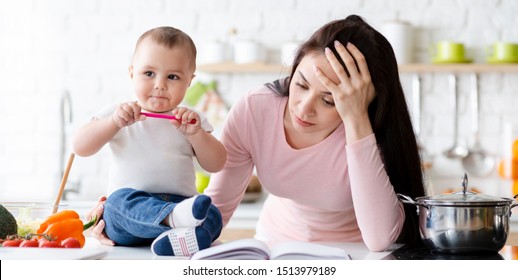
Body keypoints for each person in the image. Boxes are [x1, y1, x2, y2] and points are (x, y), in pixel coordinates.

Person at [88, 14, 426, 252]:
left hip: (353, 257)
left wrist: (356, 122)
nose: (304, 108)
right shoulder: (257, 108)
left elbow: (380, 239)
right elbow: (214, 208)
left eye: (329, 100)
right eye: (301, 84)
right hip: (275, 251)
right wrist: (132, 222)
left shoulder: (370, 131)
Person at [73, 26, 226, 256]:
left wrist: (196, 134)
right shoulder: (118, 114)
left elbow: (217, 164)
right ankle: (173, 221)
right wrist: (113, 122)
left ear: (189, 82)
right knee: (115, 204)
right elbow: (80, 147)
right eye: (149, 74)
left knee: (212, 213)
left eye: (173, 77)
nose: (160, 85)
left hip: (181, 204)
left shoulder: (191, 120)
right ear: (131, 72)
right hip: (131, 214)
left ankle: (176, 237)